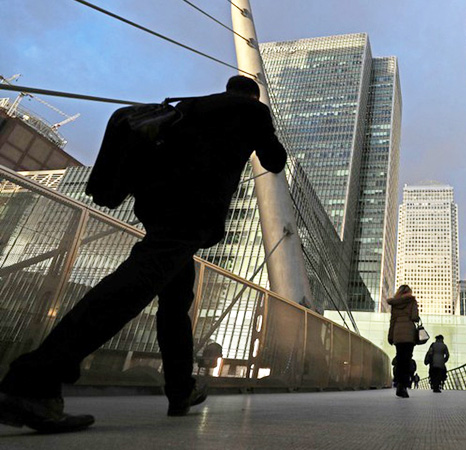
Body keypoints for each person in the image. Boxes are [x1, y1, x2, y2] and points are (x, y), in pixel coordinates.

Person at [0, 75, 287, 433]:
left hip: (157, 205)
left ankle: (181, 388)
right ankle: (34, 382)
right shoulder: (251, 109)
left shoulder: (188, 104)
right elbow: (274, 161)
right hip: (194, 209)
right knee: (134, 286)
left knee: (175, 299)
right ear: (250, 94)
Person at [387, 285, 419, 398]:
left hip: (397, 333)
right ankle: (404, 386)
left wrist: (390, 336)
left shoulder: (395, 304)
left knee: (400, 358)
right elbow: (415, 317)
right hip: (409, 334)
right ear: (409, 292)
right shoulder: (412, 301)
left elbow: (392, 321)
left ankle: (398, 383)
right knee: (407, 360)